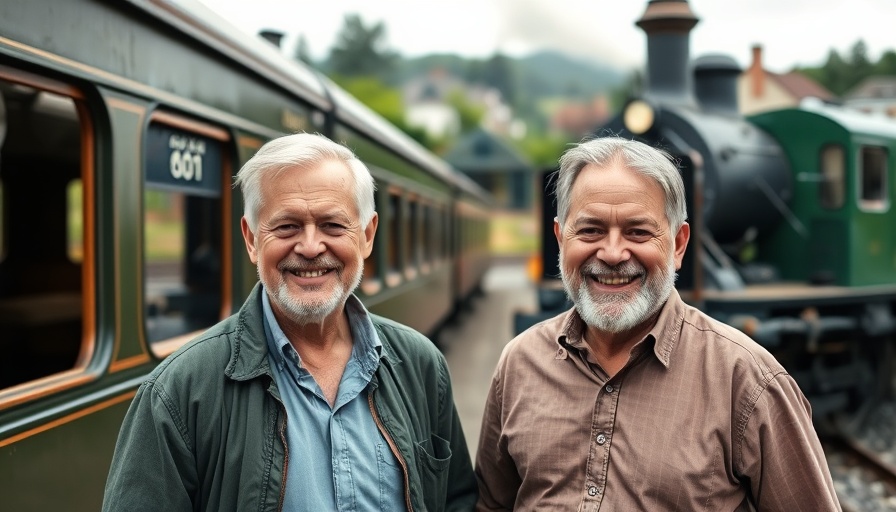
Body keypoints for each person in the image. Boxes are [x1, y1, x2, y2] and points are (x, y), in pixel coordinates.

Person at [103, 132, 478, 511]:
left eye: (333, 225)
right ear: (251, 240)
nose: (311, 247)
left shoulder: (421, 364)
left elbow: (457, 501)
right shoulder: (179, 393)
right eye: (286, 227)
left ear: (367, 236)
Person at [474, 136, 840, 511]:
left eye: (638, 232)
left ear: (678, 244)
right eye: (590, 231)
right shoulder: (519, 363)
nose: (613, 254)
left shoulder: (747, 379)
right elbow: (491, 505)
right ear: (560, 238)